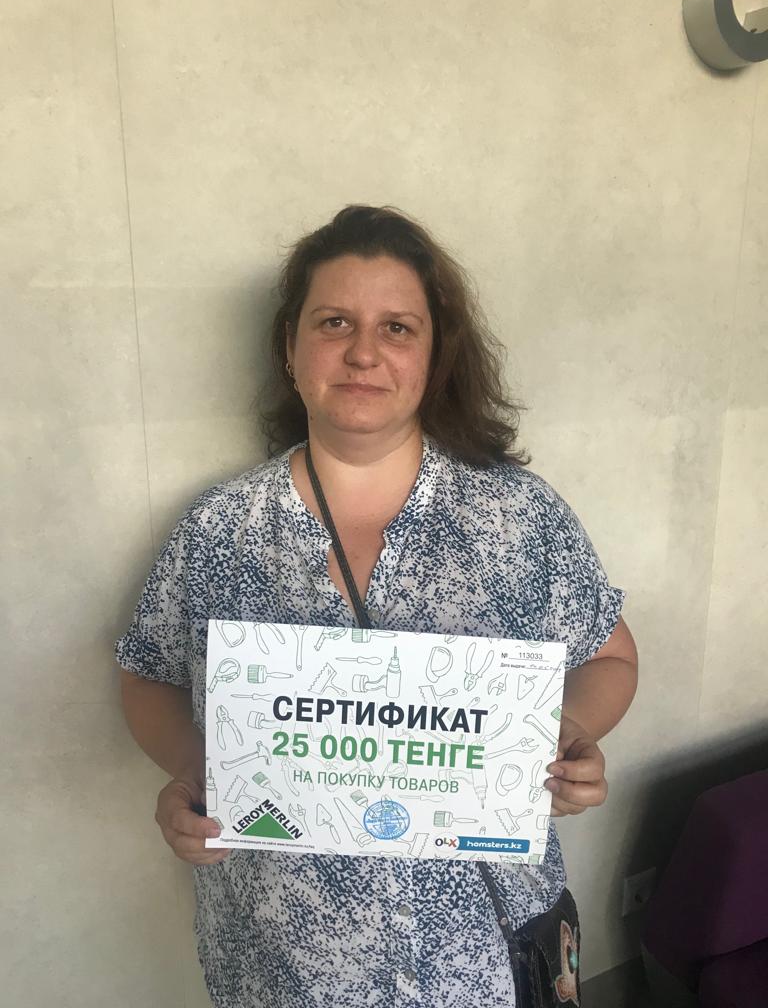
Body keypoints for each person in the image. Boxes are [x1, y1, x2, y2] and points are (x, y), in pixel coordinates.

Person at [117, 205, 638, 1008]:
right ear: (290, 347)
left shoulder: (519, 517)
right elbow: (146, 674)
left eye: (397, 327)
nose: (363, 351)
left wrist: (565, 736)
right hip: (287, 966)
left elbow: (610, 654)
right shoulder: (220, 529)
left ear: (434, 354)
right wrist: (196, 771)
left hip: (484, 960)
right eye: (334, 322)